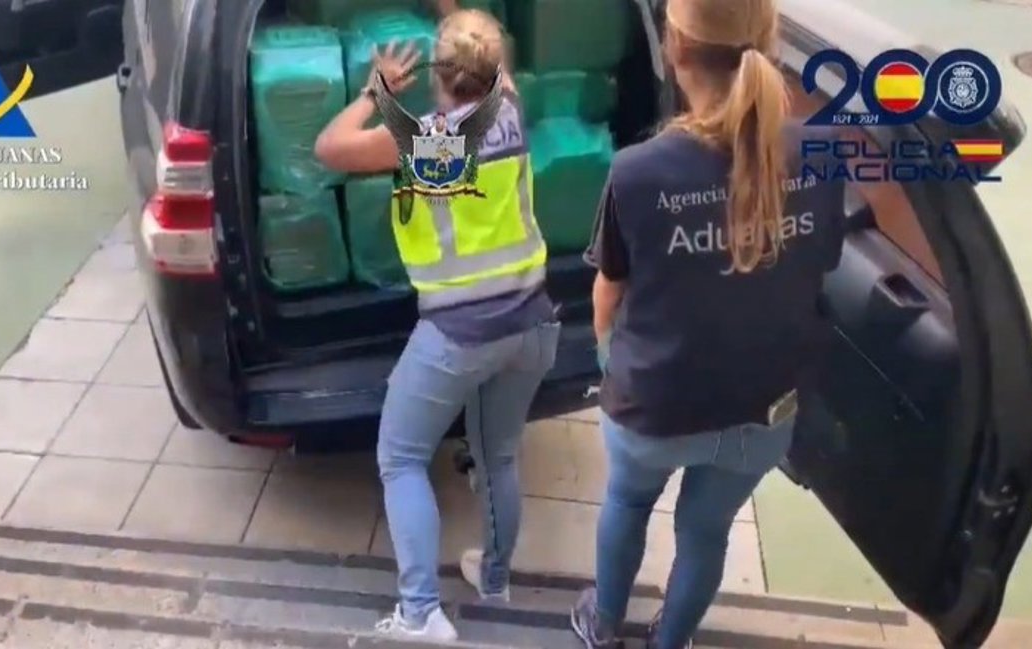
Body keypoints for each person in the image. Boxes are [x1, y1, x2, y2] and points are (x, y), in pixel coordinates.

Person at [568, 0, 846, 647]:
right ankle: (671, 640)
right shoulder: (821, 153)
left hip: (654, 404)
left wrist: (611, 361)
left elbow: (608, 291)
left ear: (676, 48)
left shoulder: (637, 171)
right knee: (705, 532)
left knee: (627, 503)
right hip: (763, 408)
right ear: (768, 44)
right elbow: (822, 266)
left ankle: (602, 624)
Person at [314, 1, 559, 642]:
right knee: (498, 455)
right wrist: (454, 13)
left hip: (457, 334)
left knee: (400, 458)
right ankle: (496, 579)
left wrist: (376, 91)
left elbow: (329, 148)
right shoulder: (511, 110)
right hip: (533, 323)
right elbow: (492, 62)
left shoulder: (428, 141)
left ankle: (421, 613)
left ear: (437, 75)